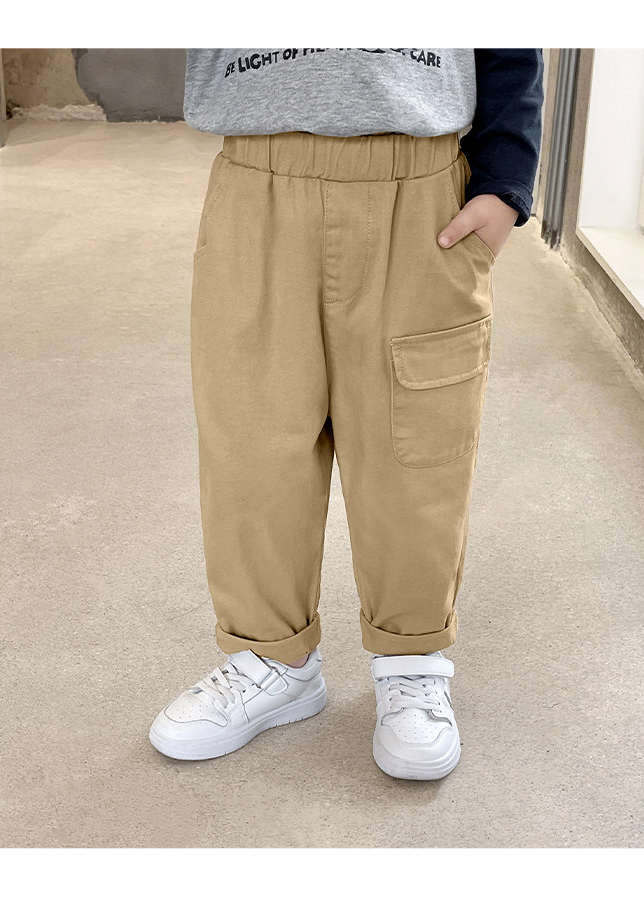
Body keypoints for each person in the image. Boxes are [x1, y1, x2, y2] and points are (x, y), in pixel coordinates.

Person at [149, 48, 543, 779]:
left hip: (419, 189)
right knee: (250, 442)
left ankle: (412, 660)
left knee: (414, 450)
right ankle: (271, 657)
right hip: (258, 180)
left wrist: (505, 177)